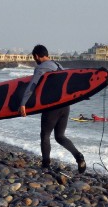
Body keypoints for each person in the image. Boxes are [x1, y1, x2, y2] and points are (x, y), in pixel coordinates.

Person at [19, 45, 86, 173]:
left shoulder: (41, 67)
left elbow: (32, 85)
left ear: (37, 56)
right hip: (65, 105)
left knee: (45, 135)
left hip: (52, 107)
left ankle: (45, 165)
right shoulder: (58, 65)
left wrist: (23, 103)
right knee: (60, 136)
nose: (35, 60)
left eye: (34, 58)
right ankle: (79, 157)